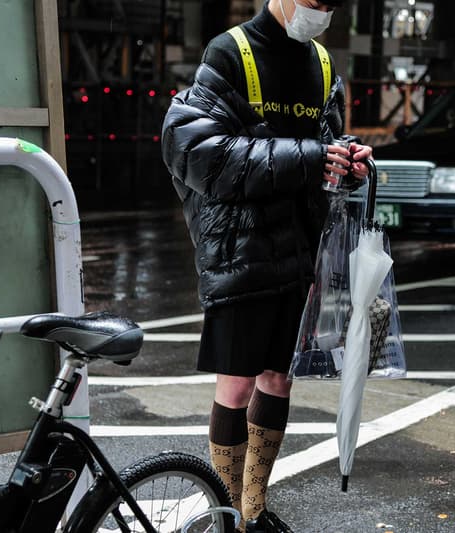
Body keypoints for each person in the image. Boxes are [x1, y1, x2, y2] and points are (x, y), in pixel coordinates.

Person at [161, 1, 371, 531]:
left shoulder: (322, 63)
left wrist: (346, 162)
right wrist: (310, 156)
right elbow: (199, 151)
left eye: (329, 5)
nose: (319, 12)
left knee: (279, 379)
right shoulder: (230, 52)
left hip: (301, 250)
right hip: (241, 251)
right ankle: (226, 513)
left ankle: (252, 509)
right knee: (235, 384)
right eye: (313, 2)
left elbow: (323, 151)